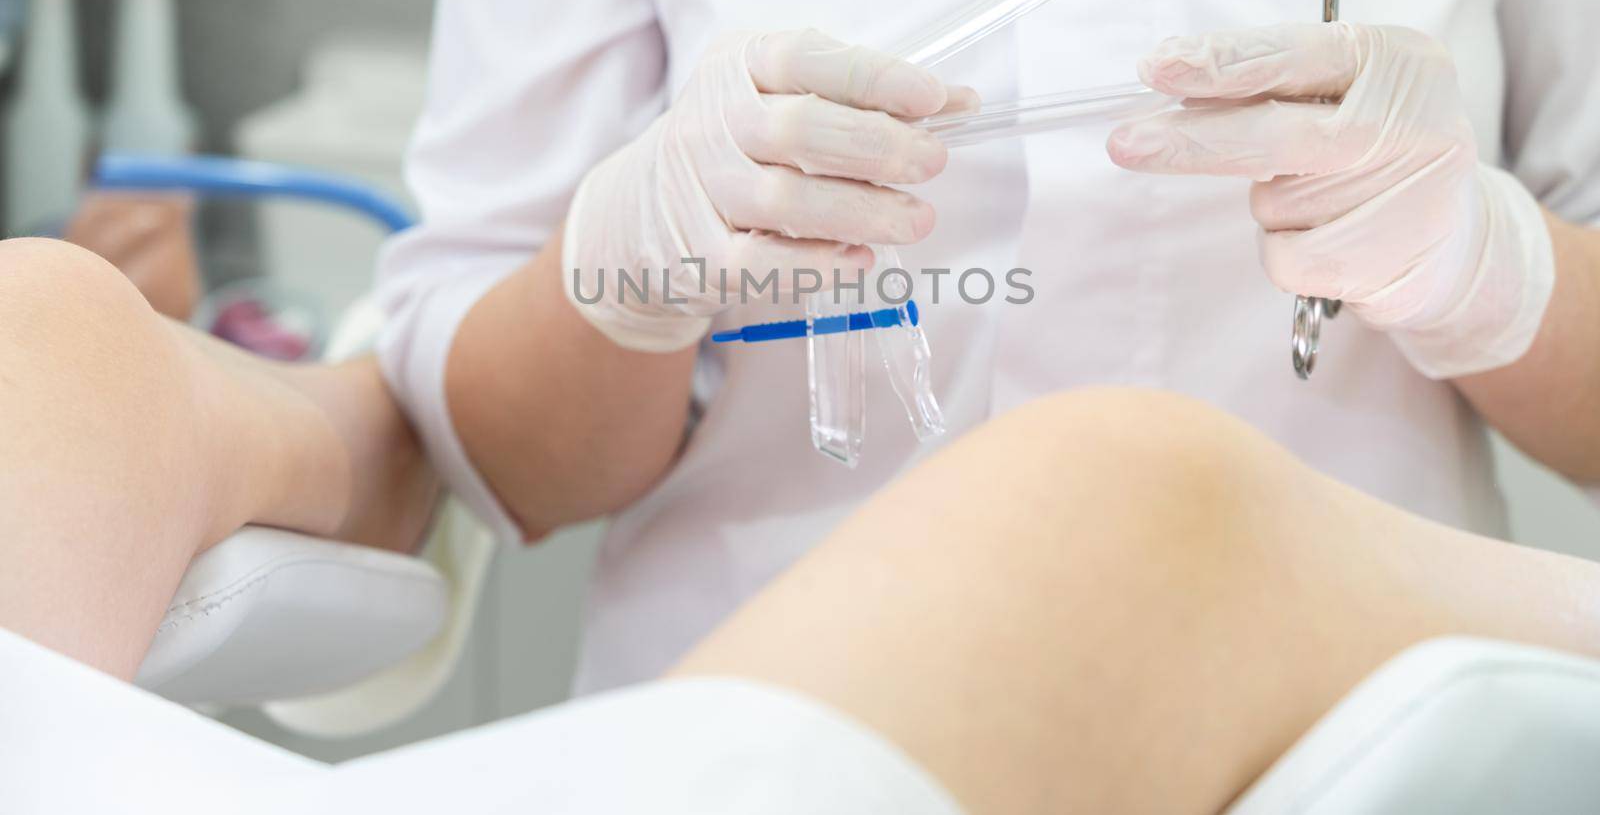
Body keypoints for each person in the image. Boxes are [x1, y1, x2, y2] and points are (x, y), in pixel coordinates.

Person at [375, 0, 1600, 694]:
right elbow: (507, 463)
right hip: (774, 728)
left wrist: (1484, 267)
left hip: (1362, 730)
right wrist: (628, 270)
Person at [2, 235, 1599, 814]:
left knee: (42, 319)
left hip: (1296, 703)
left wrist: (1494, 266)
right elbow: (457, 426)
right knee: (1126, 503)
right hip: (766, 703)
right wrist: (618, 281)